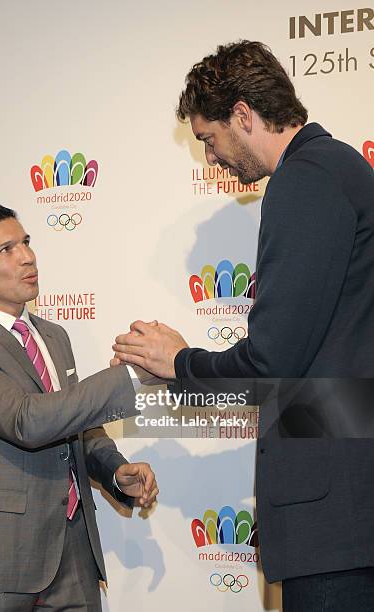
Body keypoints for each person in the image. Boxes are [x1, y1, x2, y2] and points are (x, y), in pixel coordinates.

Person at [112, 41, 374, 611]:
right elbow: (326, 372)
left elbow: (272, 363)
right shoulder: (338, 169)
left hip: (337, 519)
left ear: (243, 115)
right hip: (346, 506)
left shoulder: (306, 180)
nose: (211, 159)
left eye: (208, 139)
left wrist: (179, 362)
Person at [0, 202, 159, 611]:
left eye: (25, 242)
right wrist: (131, 376)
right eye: (6, 250)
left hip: (72, 553)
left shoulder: (53, 336)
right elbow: (27, 421)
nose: (27, 256)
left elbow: (75, 423)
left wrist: (114, 469)